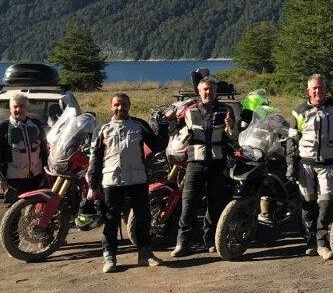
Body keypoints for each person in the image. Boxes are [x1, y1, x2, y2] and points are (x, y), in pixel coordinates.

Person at [87, 93, 165, 273]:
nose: (120, 108)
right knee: (110, 220)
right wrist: (94, 183)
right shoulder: (103, 129)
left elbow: (158, 145)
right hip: (111, 181)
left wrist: (162, 127)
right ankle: (109, 256)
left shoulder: (139, 125)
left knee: (143, 218)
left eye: (123, 104)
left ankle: (145, 254)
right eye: (116, 105)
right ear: (110, 106)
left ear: (129, 105)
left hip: (137, 179)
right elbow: (96, 159)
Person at [172, 77, 237, 258]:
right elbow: (176, 132)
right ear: (199, 92)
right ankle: (183, 242)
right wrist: (170, 121)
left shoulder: (226, 110)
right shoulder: (189, 110)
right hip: (194, 162)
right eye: (205, 90)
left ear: (216, 91)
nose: (208, 92)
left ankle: (210, 240)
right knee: (188, 203)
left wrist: (230, 126)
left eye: (211, 89)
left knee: (215, 203)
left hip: (217, 163)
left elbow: (233, 137)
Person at [287, 74, 333, 260]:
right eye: (314, 88)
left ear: (325, 89)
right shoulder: (299, 111)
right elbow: (291, 139)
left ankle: (322, 243)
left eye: (320, 87)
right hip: (306, 164)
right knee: (307, 205)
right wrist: (290, 164)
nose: (317, 91)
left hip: (328, 165)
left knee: (326, 203)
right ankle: (311, 241)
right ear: (308, 91)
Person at [0, 93, 48, 204]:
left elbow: (44, 148)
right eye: (15, 106)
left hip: (37, 177)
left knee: (38, 209)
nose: (18, 109)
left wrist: (47, 169)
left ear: (27, 108)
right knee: (13, 213)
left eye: (22, 106)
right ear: (10, 108)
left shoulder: (35, 124)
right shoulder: (2, 127)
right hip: (13, 179)